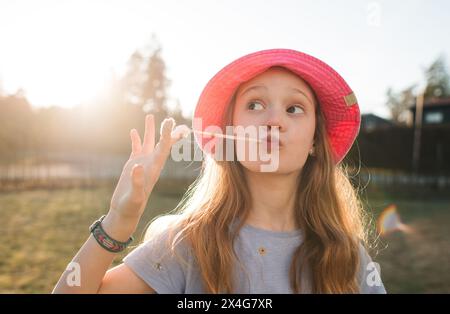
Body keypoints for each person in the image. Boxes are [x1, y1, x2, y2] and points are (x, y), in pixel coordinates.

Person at [53, 48, 386, 294]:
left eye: (294, 108)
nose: (273, 120)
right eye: (254, 105)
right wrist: (118, 220)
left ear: (315, 139)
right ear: (231, 131)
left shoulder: (347, 257)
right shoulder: (187, 245)